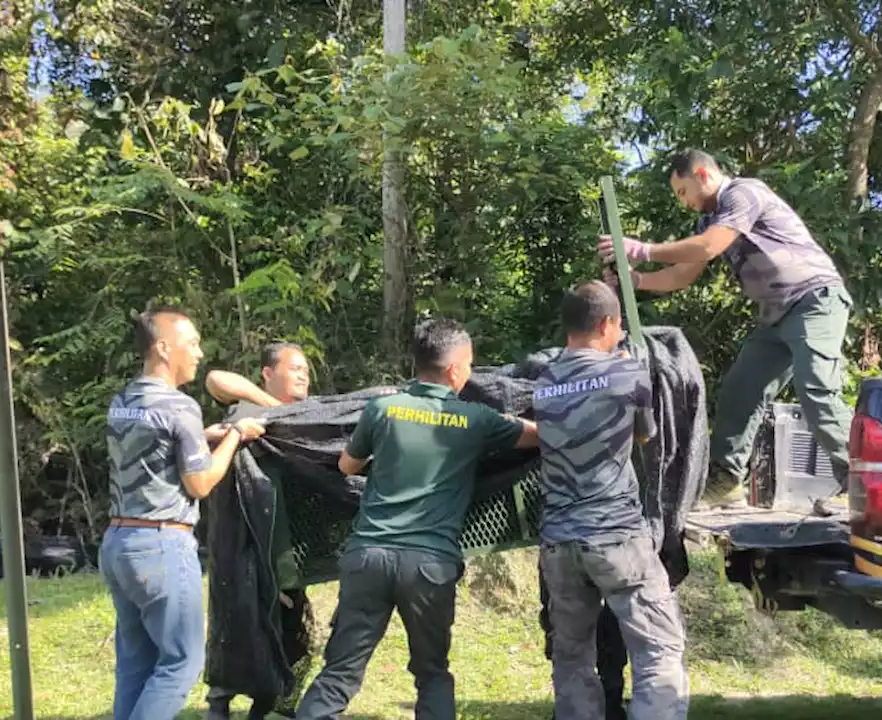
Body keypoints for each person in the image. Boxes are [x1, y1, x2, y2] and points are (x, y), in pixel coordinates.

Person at [295, 317, 539, 720]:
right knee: (432, 674)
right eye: (471, 365)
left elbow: (346, 465)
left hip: (369, 556)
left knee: (340, 672)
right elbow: (539, 435)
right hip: (429, 565)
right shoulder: (475, 419)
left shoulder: (383, 409)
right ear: (456, 368)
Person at [598, 149, 852, 507]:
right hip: (775, 316)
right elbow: (682, 275)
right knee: (740, 390)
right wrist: (635, 279)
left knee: (818, 389)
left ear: (702, 174)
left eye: (683, 191)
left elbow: (711, 246)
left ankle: (863, 481)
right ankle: (727, 480)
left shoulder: (743, 193)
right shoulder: (707, 221)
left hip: (813, 300)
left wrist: (643, 249)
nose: (684, 203)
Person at [532, 281, 689, 719]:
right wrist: (625, 370)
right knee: (658, 649)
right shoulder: (627, 373)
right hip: (616, 537)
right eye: (619, 326)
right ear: (606, 324)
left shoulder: (544, 380)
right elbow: (645, 435)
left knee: (572, 657)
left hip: (559, 546)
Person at [101, 307, 264, 720]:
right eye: (190, 342)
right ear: (162, 347)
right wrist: (236, 437)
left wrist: (204, 435)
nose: (198, 351)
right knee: (180, 664)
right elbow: (201, 483)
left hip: (118, 543)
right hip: (161, 546)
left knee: (136, 664)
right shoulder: (180, 406)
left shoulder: (124, 401)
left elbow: (155, 451)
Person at [204, 341, 313, 720]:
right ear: (268, 373)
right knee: (237, 617)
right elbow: (216, 378)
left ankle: (267, 702)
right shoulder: (247, 410)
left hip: (288, 547)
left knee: (288, 627)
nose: (303, 375)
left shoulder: (311, 415)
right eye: (295, 367)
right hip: (240, 541)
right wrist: (270, 407)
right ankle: (220, 701)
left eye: (306, 370)